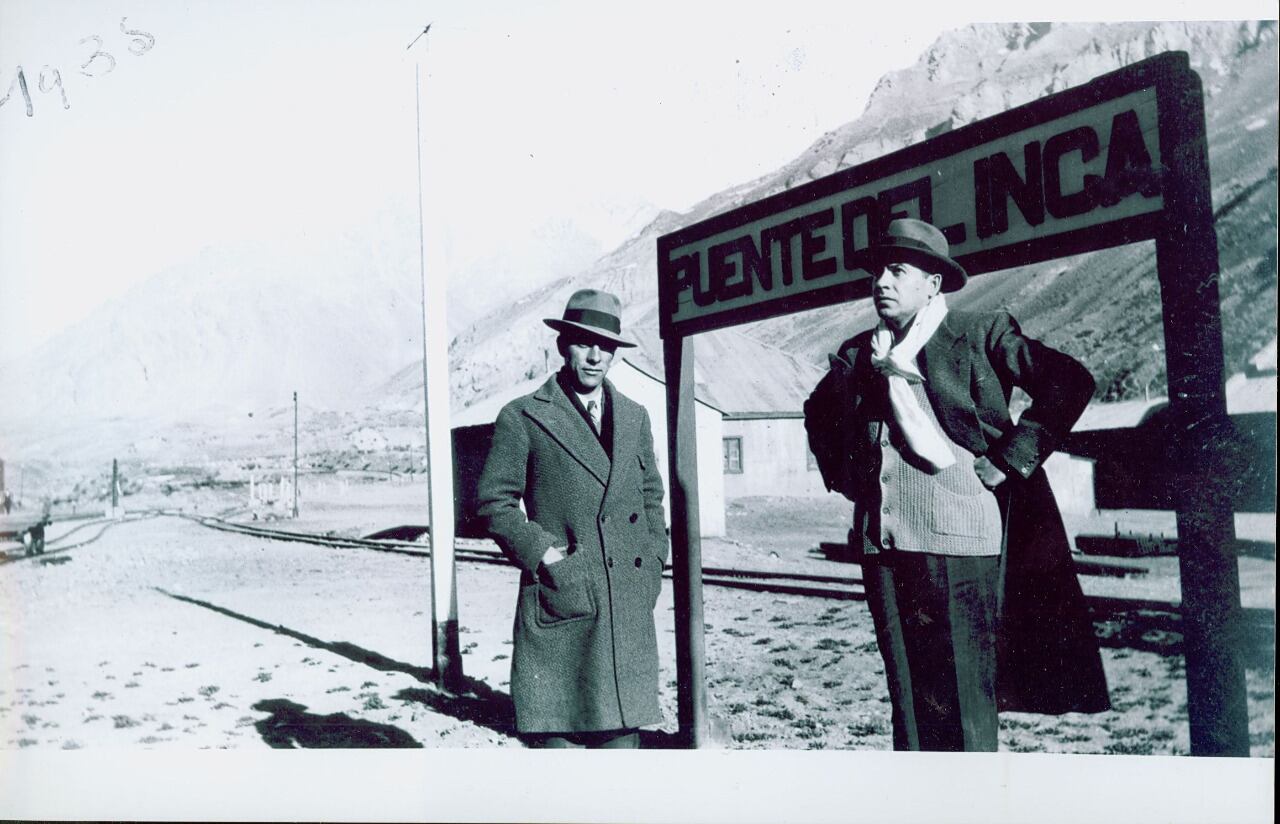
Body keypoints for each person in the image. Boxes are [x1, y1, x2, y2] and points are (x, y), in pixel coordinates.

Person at [804, 218, 1110, 752]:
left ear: (933, 283)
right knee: (909, 701)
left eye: (897, 271)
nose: (882, 282)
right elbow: (817, 413)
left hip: (961, 550)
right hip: (885, 549)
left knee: (965, 702)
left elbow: (1070, 381)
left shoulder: (978, 333)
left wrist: (1008, 461)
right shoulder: (859, 355)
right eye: (878, 271)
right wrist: (853, 481)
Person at [476, 288, 669, 749]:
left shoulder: (635, 417)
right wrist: (545, 554)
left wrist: (652, 562)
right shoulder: (523, 416)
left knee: (621, 763)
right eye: (584, 343)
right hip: (564, 606)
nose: (595, 356)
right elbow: (493, 504)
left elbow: (651, 496)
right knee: (562, 775)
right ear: (563, 346)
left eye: (606, 346)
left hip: (626, 609)